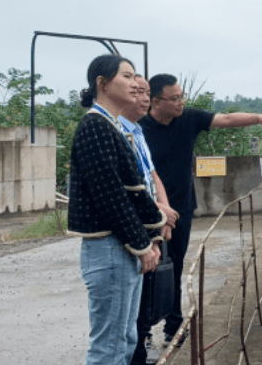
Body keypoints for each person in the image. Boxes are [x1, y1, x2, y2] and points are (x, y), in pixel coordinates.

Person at [138, 73, 262, 346]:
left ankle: (174, 326)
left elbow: (227, 120)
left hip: (181, 208)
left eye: (182, 96)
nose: (181, 102)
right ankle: (141, 329)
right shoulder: (139, 128)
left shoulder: (189, 119)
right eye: (175, 99)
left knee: (175, 266)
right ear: (156, 102)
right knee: (145, 268)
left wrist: (259, 118)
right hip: (147, 211)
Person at [67, 55, 166, 365]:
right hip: (111, 247)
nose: (135, 83)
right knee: (109, 347)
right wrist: (142, 245)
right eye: (127, 76)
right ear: (103, 83)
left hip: (120, 247)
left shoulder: (111, 126)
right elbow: (110, 196)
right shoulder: (95, 126)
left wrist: (147, 241)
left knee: (124, 340)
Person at [119, 75, 181, 365]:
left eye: (145, 92)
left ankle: (142, 350)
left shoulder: (138, 132)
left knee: (146, 301)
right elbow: (123, 187)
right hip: (132, 228)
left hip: (151, 223)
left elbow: (151, 175)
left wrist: (164, 212)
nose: (142, 97)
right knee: (122, 321)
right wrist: (159, 212)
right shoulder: (115, 131)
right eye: (137, 92)